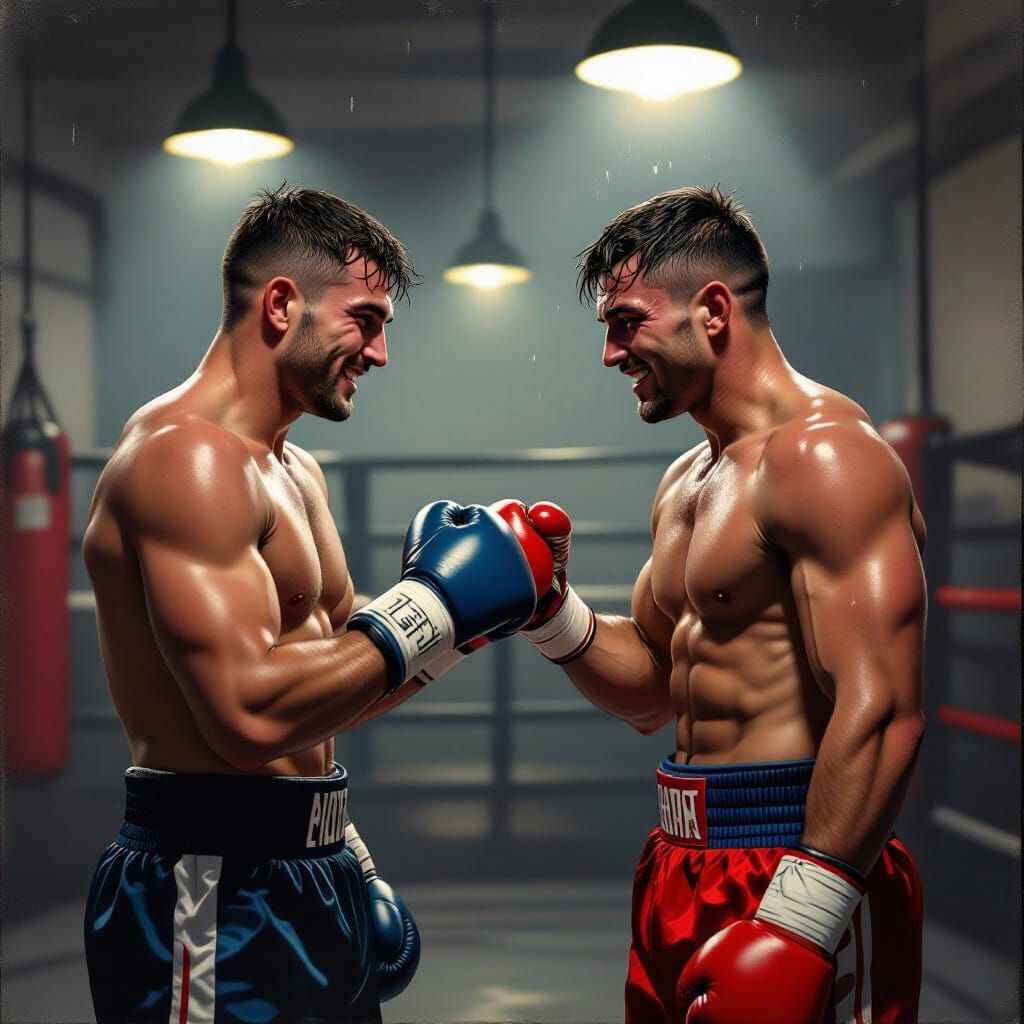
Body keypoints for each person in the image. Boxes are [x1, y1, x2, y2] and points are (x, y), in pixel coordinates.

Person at [81, 185, 551, 1024]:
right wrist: (435, 604)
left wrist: (467, 626)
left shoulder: (295, 470)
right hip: (208, 886)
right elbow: (247, 717)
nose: (377, 353)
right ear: (281, 302)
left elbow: (330, 685)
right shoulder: (186, 461)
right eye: (364, 320)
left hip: (312, 863)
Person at [512, 186, 926, 1023]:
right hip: (679, 863)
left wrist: (803, 923)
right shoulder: (688, 480)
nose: (609, 353)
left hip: (802, 861)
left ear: (711, 310)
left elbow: (881, 706)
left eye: (626, 321)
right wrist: (548, 609)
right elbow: (653, 689)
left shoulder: (826, 456)